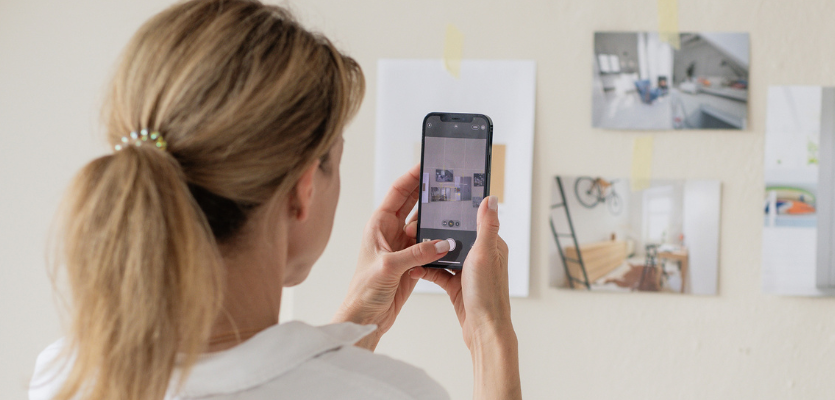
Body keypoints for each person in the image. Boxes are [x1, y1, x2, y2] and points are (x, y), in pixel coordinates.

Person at [28, 1, 520, 399]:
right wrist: (490, 334)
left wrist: (357, 321)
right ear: (305, 188)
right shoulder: (397, 394)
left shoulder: (66, 376)